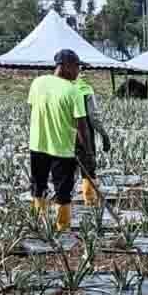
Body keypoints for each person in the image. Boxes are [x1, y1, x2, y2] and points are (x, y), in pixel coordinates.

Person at [27, 49, 90, 231]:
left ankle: (40, 221)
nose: (78, 71)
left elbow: (34, 108)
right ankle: (63, 227)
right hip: (62, 149)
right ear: (66, 66)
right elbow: (82, 126)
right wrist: (87, 151)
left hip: (37, 144)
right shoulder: (73, 91)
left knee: (38, 185)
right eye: (77, 67)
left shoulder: (37, 83)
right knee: (63, 189)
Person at [75, 74, 112, 207]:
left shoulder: (64, 87)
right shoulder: (86, 89)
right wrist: (104, 135)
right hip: (84, 135)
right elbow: (93, 117)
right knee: (88, 170)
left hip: (64, 135)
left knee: (66, 171)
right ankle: (90, 203)